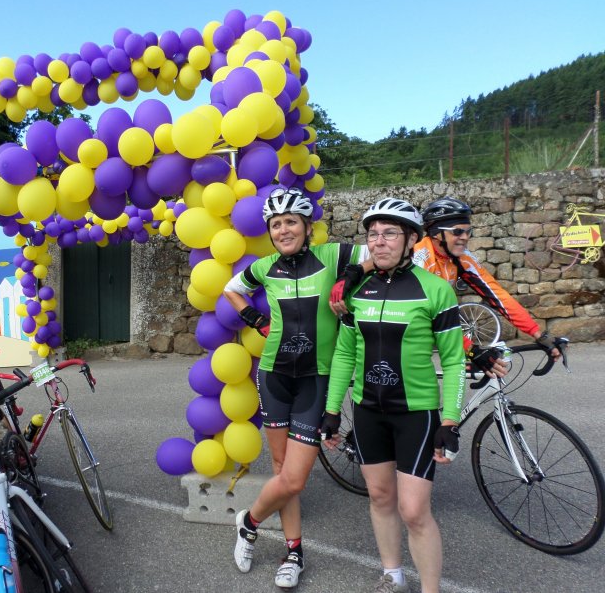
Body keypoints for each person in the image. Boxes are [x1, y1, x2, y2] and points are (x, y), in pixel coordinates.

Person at [223, 186, 367, 589]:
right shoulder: (264, 267)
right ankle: (293, 551)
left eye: (291, 222)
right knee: (280, 470)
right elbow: (231, 289)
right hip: (274, 376)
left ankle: (248, 523)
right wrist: (255, 319)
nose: (283, 230)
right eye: (276, 224)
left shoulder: (333, 255)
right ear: (269, 231)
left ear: (307, 226)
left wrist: (350, 278)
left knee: (295, 478)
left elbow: (379, 256)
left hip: (316, 379)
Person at [320, 198, 466, 593]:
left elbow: (453, 362)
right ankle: (392, 574)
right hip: (368, 410)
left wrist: (449, 421)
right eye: (373, 234)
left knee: (414, 511)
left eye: (389, 233)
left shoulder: (436, 290)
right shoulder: (358, 291)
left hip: (415, 414)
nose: (379, 242)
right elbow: (345, 353)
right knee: (381, 497)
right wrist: (332, 410)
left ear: (411, 239)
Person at [414, 197, 560, 360]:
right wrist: (469, 348)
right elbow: (429, 316)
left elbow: (498, 296)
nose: (465, 237)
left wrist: (538, 334)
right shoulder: (419, 259)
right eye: (457, 231)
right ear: (436, 233)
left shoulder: (462, 258)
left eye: (468, 231)